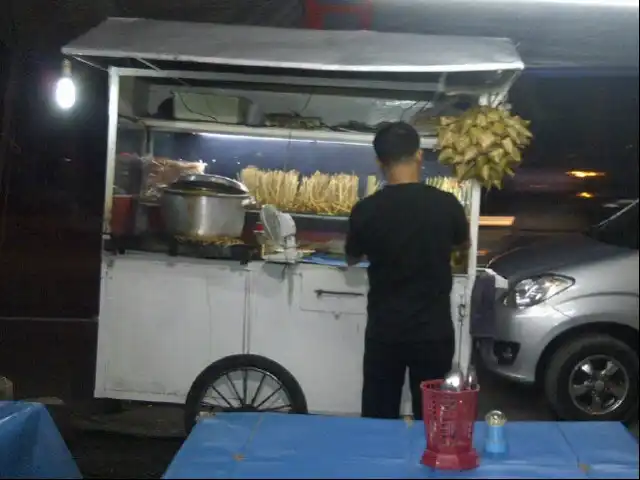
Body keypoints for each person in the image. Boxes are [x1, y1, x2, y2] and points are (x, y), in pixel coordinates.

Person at [345, 121, 469, 420]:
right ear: (419, 155)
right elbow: (463, 246)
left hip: (385, 330)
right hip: (433, 332)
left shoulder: (366, 209)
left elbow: (351, 257)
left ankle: (377, 465)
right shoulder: (446, 204)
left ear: (379, 162)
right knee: (435, 417)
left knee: (378, 414)